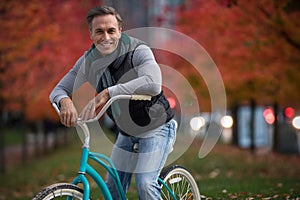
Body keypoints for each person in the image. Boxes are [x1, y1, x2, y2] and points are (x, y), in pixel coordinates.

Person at [50, 5, 176, 199]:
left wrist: (108, 92)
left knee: (145, 184)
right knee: (112, 189)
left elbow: (154, 84)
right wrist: (65, 101)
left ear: (120, 31)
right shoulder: (88, 61)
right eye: (99, 31)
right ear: (91, 34)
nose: (106, 37)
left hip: (156, 127)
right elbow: (59, 90)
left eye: (111, 30)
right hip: (126, 132)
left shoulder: (138, 51)